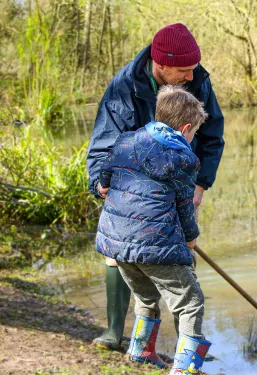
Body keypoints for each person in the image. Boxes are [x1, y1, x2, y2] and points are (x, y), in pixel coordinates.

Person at [86, 23, 224, 351]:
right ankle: (115, 331)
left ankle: (177, 343)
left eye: (192, 70)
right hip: (131, 185)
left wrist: (201, 184)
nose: (190, 77)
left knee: (181, 258)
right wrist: (100, 183)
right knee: (119, 253)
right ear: (160, 65)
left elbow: (212, 135)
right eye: (182, 71)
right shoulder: (125, 87)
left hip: (179, 182)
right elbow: (105, 141)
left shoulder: (199, 81)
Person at [96, 85, 211, 373]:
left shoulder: (126, 140)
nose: (192, 137)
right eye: (194, 132)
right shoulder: (183, 159)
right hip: (153, 245)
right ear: (186, 128)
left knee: (146, 295)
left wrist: (104, 186)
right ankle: (185, 369)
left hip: (116, 244)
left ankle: (141, 350)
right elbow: (185, 207)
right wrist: (190, 240)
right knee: (191, 302)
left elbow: (104, 178)